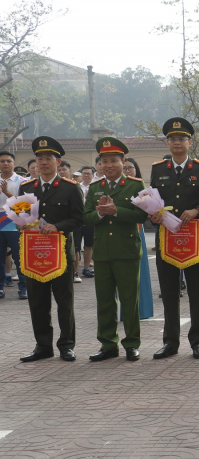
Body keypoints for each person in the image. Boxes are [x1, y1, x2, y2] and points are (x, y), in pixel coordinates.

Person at [149, 117, 199, 360]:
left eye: (182, 139)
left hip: (192, 238)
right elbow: (152, 201)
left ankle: (197, 341)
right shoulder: (158, 169)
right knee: (168, 291)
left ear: (190, 142)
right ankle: (170, 342)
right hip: (166, 238)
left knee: (196, 291)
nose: (177, 143)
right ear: (167, 143)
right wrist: (153, 216)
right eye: (172, 139)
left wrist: (197, 210)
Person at [19, 137, 84, 362]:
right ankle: (43, 346)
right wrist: (22, 224)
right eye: (40, 158)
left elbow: (78, 219)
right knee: (37, 301)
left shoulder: (70, 188)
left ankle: (66, 345)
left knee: (64, 301)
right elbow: (22, 215)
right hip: (34, 254)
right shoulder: (26, 187)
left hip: (61, 254)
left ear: (58, 161)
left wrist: (57, 227)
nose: (43, 162)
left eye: (48, 158)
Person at [83, 137, 148, 362]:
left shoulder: (134, 185)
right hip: (102, 252)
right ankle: (108, 344)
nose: (108, 165)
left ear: (123, 162)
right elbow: (86, 217)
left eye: (113, 160)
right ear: (99, 164)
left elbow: (142, 215)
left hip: (127, 249)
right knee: (105, 300)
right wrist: (101, 213)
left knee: (130, 300)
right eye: (104, 161)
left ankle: (132, 343)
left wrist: (116, 211)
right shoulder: (94, 188)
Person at [123, 157, 154, 319]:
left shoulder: (140, 187)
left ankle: (142, 309)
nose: (127, 171)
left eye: (130, 168)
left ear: (136, 170)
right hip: (119, 233)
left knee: (139, 271)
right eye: (125, 168)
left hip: (137, 230)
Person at [0, 151, 26, 299]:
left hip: (15, 224)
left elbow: (26, 203)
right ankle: (0, 287)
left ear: (14, 164)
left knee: (20, 257)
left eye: (8, 161)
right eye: (2, 161)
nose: (5, 163)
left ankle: (23, 287)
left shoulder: (22, 181)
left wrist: (7, 192)